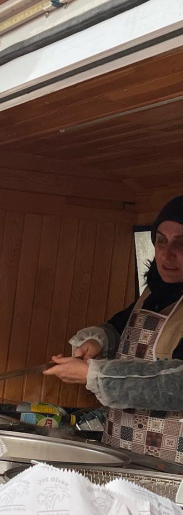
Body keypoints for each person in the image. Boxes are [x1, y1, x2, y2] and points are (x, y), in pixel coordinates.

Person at [45, 196, 183, 461]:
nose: (167, 254)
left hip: (171, 465)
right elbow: (120, 328)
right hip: (122, 447)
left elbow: (177, 385)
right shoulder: (154, 291)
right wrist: (98, 341)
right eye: (161, 240)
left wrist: (96, 375)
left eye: (181, 243)